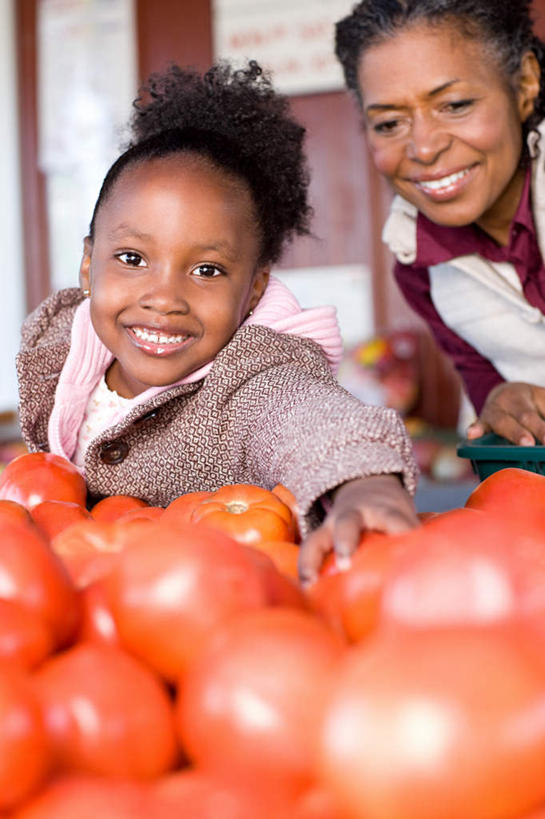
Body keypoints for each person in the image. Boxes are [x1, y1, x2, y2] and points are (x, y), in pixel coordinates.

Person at [16, 61, 418, 584]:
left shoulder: (254, 382)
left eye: (206, 270)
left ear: (252, 291)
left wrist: (363, 484)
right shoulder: (61, 348)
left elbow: (311, 420)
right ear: (89, 264)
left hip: (211, 604)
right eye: (133, 258)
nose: (163, 298)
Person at [335, 0, 545, 447]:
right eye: (389, 123)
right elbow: (486, 391)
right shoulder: (419, 265)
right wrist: (501, 400)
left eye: (454, 104)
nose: (424, 148)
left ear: (525, 84)